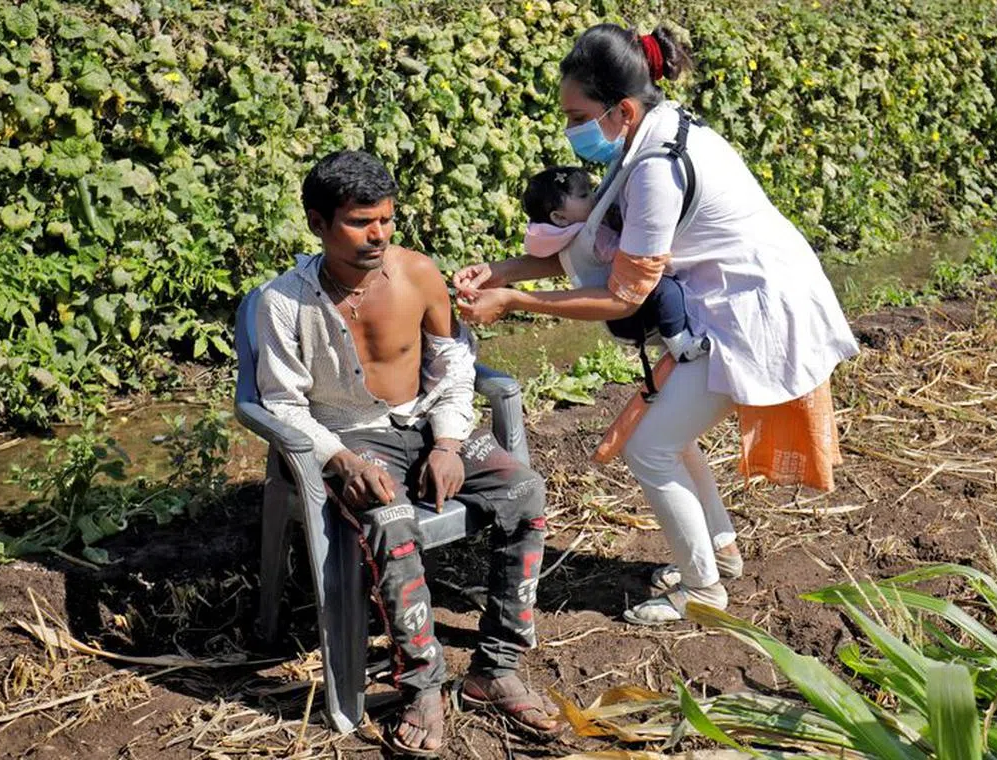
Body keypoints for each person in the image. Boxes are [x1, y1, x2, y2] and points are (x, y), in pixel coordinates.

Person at [455, 25, 859, 626]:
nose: (570, 130)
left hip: (757, 316)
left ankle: (703, 592)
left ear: (620, 108)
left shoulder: (655, 168)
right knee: (670, 435)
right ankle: (719, 552)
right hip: (726, 305)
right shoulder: (651, 134)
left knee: (650, 448)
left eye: (577, 115)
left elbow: (622, 294)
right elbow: (596, 244)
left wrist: (514, 301)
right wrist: (503, 271)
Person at [255, 150, 560, 755]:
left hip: (426, 422)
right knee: (391, 522)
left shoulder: (418, 274)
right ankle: (422, 683)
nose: (378, 235)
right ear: (318, 222)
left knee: (525, 489)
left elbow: (453, 364)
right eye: (360, 222)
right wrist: (338, 459)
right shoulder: (283, 303)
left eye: (387, 221)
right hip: (353, 438)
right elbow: (281, 405)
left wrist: (449, 441)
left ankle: (494, 668)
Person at [522, 166, 709, 362]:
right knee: (667, 291)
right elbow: (628, 255)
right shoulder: (591, 238)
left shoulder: (572, 234)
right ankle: (682, 346)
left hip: (618, 314)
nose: (593, 197)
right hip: (627, 311)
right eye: (584, 195)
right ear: (559, 217)